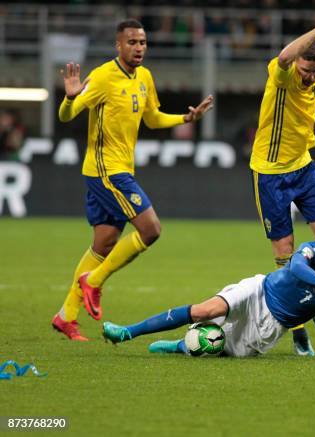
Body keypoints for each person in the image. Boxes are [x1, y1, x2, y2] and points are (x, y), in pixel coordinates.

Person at [51, 19, 214, 341]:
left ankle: (66, 316)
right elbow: (66, 116)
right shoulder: (101, 77)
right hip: (107, 171)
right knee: (151, 229)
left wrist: (186, 118)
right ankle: (93, 282)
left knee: (104, 243)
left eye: (142, 42)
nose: (138, 47)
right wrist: (70, 97)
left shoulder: (144, 77)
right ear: (118, 46)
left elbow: (152, 118)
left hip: (119, 169)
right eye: (132, 42)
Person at [249, 0, 315, 356]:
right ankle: (298, 330)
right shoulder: (282, 74)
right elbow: (283, 57)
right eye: (307, 70)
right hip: (270, 173)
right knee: (285, 253)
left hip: (304, 167)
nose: (311, 76)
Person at [102, 229, 315, 362]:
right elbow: (295, 268)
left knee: (216, 347)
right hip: (258, 290)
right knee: (205, 311)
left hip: (271, 325)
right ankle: (127, 332)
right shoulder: (309, 252)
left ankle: (181, 346)